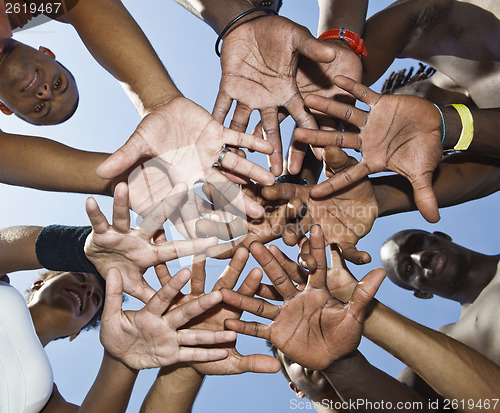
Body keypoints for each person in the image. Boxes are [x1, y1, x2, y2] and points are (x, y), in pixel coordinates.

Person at [0, 182, 238, 412]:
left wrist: (121, 360)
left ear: (77, 332)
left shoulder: (42, 395)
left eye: (95, 300)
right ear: (38, 282)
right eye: (80, 278)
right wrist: (79, 249)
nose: (88, 290)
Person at [292, 0, 500, 224]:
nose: (398, 123)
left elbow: (328, 86)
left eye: (380, 113)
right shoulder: (484, 143)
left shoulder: (432, 31)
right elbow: (482, 173)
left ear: (410, 80)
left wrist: (298, 179)